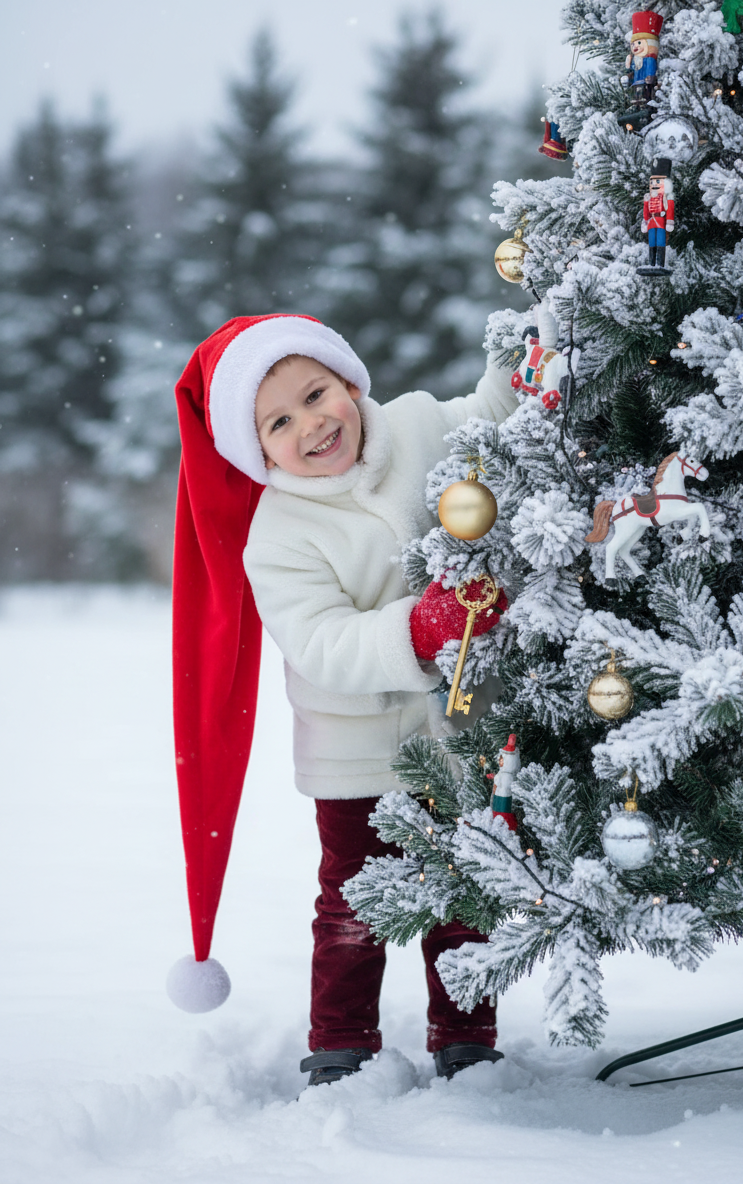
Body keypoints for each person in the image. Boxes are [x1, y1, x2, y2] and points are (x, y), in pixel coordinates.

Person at [167, 313, 517, 1087]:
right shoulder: (279, 534)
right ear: (257, 452)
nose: (312, 424)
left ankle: (465, 1034)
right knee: (355, 903)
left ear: (351, 382)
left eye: (317, 393)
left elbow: (496, 414)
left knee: (470, 887)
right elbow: (321, 642)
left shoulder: (422, 426)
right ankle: (341, 1041)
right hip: (354, 750)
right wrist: (417, 629)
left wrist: (528, 345)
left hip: (459, 729)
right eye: (279, 422)